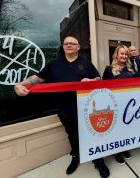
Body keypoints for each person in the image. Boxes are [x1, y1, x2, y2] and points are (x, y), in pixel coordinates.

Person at [14, 36, 110, 178]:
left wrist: (91, 80)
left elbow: (98, 78)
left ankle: (98, 160)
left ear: (78, 47)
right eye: (66, 43)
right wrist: (20, 84)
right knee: (71, 133)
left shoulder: (86, 63)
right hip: (64, 108)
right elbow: (38, 78)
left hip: (86, 108)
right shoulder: (54, 64)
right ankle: (76, 156)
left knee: (92, 134)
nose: (69, 45)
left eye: (73, 43)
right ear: (63, 46)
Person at [102, 45, 133, 165]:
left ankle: (124, 147)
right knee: (115, 129)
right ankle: (116, 152)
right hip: (114, 105)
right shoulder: (109, 69)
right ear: (116, 55)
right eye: (122, 54)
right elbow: (103, 88)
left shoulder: (131, 70)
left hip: (128, 105)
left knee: (126, 128)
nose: (124, 56)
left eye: (126, 54)